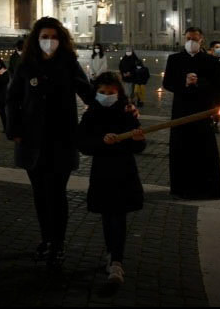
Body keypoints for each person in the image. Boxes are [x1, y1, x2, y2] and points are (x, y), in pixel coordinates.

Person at [6, 17, 95, 269]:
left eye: (54, 37)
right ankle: (46, 239)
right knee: (39, 194)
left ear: (61, 40)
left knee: (57, 194)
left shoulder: (69, 64)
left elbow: (88, 93)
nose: (49, 42)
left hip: (61, 139)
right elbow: (12, 99)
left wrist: (119, 104)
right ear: (36, 39)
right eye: (45, 37)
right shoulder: (26, 66)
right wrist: (15, 129)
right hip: (32, 140)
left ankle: (58, 243)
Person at [77, 72, 146, 285]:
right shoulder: (90, 115)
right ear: (96, 93)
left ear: (119, 93)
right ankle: (111, 252)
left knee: (119, 216)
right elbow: (83, 144)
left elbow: (138, 146)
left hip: (124, 172)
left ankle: (117, 260)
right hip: (102, 173)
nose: (106, 96)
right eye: (102, 92)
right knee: (107, 215)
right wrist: (101, 141)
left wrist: (137, 139)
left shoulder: (127, 113)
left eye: (111, 92)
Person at [162, 27, 220, 200]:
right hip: (181, 109)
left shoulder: (210, 61)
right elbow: (167, 83)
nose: (191, 42)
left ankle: (205, 188)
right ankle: (181, 188)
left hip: (202, 110)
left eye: (195, 39)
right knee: (181, 149)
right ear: (184, 39)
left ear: (201, 40)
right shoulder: (174, 59)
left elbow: (218, 85)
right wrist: (184, 82)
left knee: (204, 150)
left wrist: (199, 83)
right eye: (188, 38)